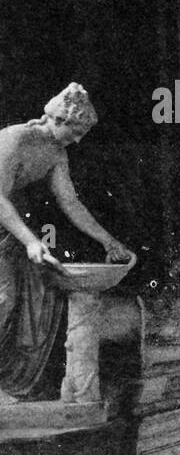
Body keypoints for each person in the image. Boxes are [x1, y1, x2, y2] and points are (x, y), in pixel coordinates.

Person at [0, 83, 133, 399]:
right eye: (75, 132)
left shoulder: (56, 153)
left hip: (9, 230)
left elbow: (71, 203)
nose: (78, 140)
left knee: (37, 303)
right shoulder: (14, 140)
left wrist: (108, 241)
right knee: (3, 300)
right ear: (59, 119)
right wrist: (31, 242)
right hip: (8, 224)